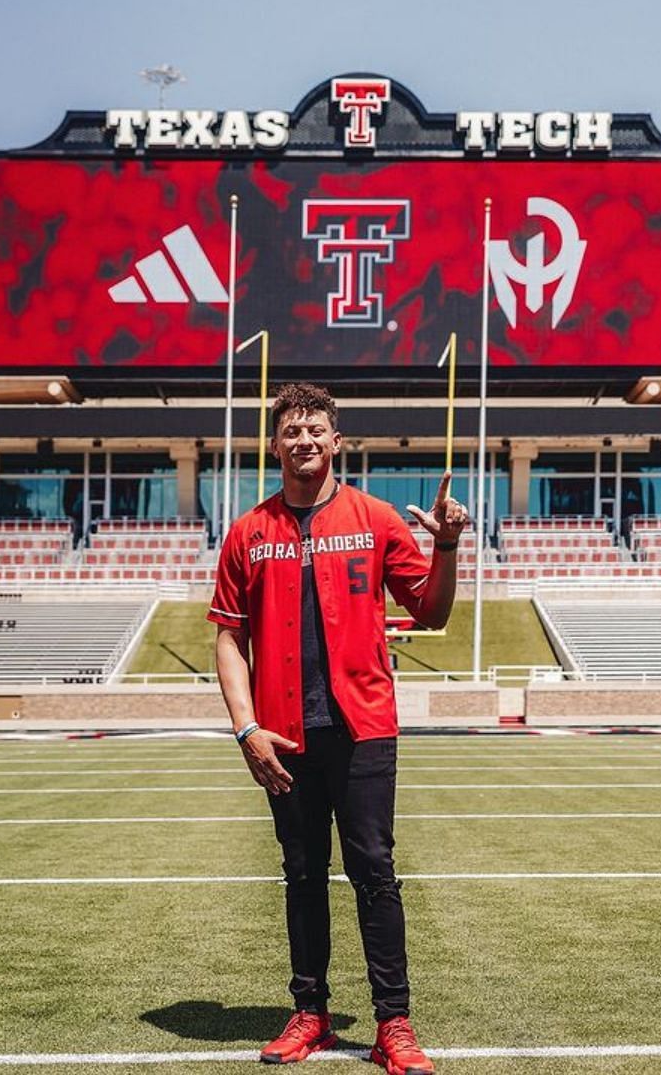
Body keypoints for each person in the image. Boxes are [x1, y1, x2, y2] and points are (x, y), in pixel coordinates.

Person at [208, 382, 464, 1075]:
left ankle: (394, 1023)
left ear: (336, 440)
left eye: (316, 429)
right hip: (285, 737)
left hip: (364, 729)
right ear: (275, 445)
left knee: (375, 873)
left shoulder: (376, 519)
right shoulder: (249, 532)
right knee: (301, 875)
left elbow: (433, 614)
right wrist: (245, 728)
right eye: (291, 431)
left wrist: (446, 549)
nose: (304, 441)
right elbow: (228, 639)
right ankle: (310, 1012)